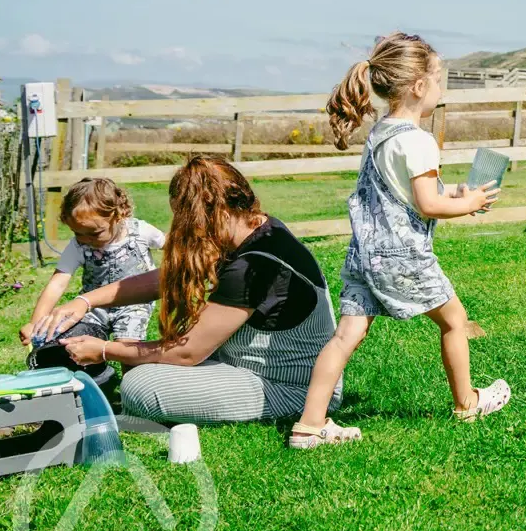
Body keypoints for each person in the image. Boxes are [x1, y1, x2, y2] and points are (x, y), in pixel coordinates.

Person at [289, 33, 507, 450]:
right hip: (402, 257)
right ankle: (467, 403)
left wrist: (457, 197)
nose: (441, 89)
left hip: (364, 256)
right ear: (419, 87)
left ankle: (309, 425)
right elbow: (427, 205)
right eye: (439, 80)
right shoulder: (419, 140)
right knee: (454, 322)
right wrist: (472, 202)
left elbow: (403, 194)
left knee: (345, 336)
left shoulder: (381, 133)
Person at [33, 157, 345, 426]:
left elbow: (186, 352)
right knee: (144, 370)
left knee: (140, 386)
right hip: (251, 368)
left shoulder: (252, 266)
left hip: (291, 387)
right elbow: (169, 278)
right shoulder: (257, 229)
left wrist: (103, 350)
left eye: (184, 218)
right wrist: (85, 301)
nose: (183, 228)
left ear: (212, 210)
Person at [21, 178, 164, 387]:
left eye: (94, 233)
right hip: (92, 305)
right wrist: (35, 323)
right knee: (70, 341)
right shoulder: (79, 246)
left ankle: (130, 393)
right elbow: (57, 283)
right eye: (78, 233)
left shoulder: (140, 231)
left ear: (119, 214)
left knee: (127, 347)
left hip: (133, 304)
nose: (86, 239)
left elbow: (169, 243)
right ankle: (89, 383)